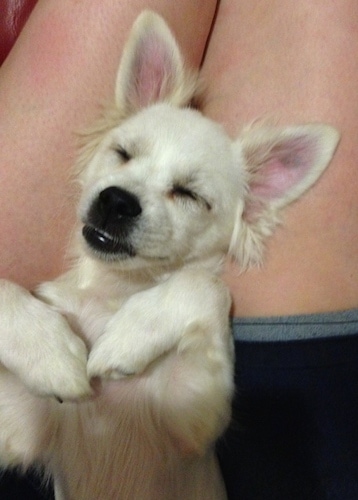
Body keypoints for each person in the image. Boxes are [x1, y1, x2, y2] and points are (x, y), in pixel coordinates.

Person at [1, 1, 357, 498]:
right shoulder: (50, 311)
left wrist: (198, 296)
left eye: (187, 194)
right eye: (123, 154)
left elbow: (191, 427)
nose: (123, 193)